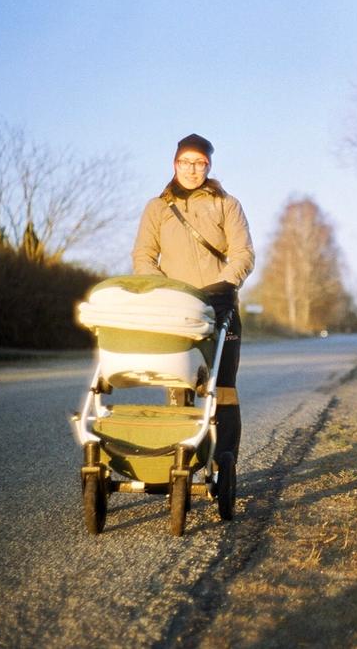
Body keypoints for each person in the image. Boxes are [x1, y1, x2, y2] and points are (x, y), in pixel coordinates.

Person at [132, 133, 254, 466]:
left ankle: (223, 462)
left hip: (220, 305)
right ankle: (179, 461)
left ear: (208, 165)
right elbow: (144, 255)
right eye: (185, 162)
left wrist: (226, 284)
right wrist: (165, 289)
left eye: (200, 162)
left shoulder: (226, 204)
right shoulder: (157, 208)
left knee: (224, 388)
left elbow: (243, 252)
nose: (192, 169)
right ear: (174, 164)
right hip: (176, 309)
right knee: (178, 383)